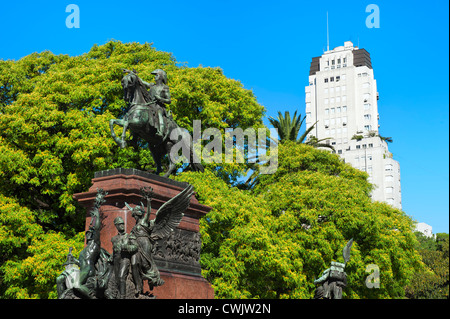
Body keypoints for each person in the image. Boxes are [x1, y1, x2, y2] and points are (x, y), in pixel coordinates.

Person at [111, 216, 137, 298]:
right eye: (120, 224)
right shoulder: (114, 239)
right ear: (116, 226)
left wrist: (126, 247)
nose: (122, 226)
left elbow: (135, 247)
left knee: (121, 277)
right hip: (116, 259)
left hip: (125, 259)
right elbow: (114, 250)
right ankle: (117, 294)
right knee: (117, 279)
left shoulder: (129, 236)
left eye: (123, 224)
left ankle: (123, 296)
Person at [143, 69, 171, 138]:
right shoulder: (152, 86)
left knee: (159, 113)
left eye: (156, 75)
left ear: (161, 77)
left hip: (159, 107)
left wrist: (160, 99)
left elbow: (169, 100)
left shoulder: (165, 87)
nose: (155, 77)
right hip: (150, 106)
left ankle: (161, 131)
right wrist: (132, 74)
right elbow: (142, 82)